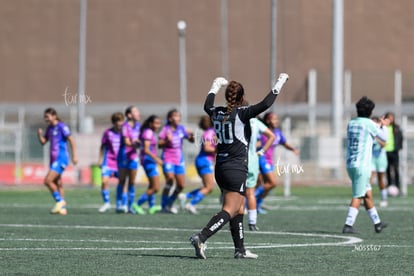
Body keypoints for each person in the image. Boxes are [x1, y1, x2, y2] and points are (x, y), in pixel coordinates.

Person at [189, 73, 289, 259]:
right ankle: (201, 237)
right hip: (236, 167)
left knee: (239, 207)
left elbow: (207, 105)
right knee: (230, 208)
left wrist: (215, 86)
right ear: (242, 97)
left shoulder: (217, 112)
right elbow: (266, 104)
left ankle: (240, 250)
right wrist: (280, 82)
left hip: (221, 166)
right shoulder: (242, 113)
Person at [342, 96, 388, 234]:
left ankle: (377, 223)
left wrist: (377, 125)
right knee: (358, 195)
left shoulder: (351, 123)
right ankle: (348, 224)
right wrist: (382, 125)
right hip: (362, 165)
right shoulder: (369, 124)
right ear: (370, 112)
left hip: (350, 163)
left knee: (367, 194)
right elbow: (384, 138)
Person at [255, 112, 299, 214]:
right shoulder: (263, 132)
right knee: (272, 183)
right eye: (273, 119)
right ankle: (250, 198)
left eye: (276, 119)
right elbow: (256, 143)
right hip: (261, 159)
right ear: (267, 121)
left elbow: (284, 143)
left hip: (270, 162)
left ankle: (256, 205)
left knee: (266, 185)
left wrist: (293, 150)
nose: (276, 121)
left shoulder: (278, 133)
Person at [37, 108, 77, 215]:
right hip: (53, 159)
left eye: (47, 116)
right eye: (45, 117)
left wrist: (74, 156)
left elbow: (72, 141)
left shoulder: (62, 127)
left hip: (61, 158)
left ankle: (60, 201)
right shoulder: (50, 128)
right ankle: (62, 208)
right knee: (58, 183)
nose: (46, 119)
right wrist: (39, 135)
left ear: (54, 116)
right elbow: (43, 142)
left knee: (47, 181)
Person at [158, 108, 194, 213]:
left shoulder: (181, 129)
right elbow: (159, 144)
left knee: (181, 185)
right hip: (168, 159)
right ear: (170, 118)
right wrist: (166, 141)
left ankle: (169, 203)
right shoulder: (165, 130)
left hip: (179, 160)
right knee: (169, 180)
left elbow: (191, 140)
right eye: (175, 116)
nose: (178, 118)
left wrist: (191, 135)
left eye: (179, 116)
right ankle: (163, 206)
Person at [179, 115, 217, 214]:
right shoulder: (210, 133)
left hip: (202, 161)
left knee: (207, 187)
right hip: (205, 161)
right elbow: (207, 148)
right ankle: (191, 204)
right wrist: (218, 149)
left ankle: (185, 196)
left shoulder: (210, 132)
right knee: (209, 187)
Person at [246, 117, 275, 231]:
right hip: (253, 160)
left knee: (236, 193)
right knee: (250, 193)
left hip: (237, 160)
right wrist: (262, 151)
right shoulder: (255, 122)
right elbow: (272, 136)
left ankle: (234, 222)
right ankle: (252, 222)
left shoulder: (235, 118)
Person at [131, 115, 163, 215]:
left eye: (159, 123)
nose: (158, 125)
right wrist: (157, 159)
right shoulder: (148, 132)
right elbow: (146, 149)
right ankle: (137, 205)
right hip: (149, 162)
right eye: (156, 123)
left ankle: (151, 206)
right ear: (150, 124)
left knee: (152, 185)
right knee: (156, 187)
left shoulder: (148, 132)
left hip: (149, 161)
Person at [97, 112, 124, 213]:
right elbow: (102, 146)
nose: (120, 123)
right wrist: (99, 159)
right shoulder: (108, 133)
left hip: (120, 162)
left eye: (121, 121)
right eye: (117, 121)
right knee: (104, 181)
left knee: (122, 183)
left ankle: (120, 204)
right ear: (114, 122)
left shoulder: (125, 133)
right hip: (108, 161)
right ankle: (107, 203)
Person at [116, 106, 141, 213]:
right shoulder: (125, 126)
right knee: (122, 180)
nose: (138, 113)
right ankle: (120, 204)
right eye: (135, 111)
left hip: (133, 157)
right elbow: (127, 142)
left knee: (132, 182)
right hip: (124, 156)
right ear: (129, 115)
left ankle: (130, 206)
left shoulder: (139, 126)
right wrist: (136, 143)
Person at [370, 116, 390, 207]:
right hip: (371, 158)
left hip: (381, 158)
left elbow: (384, 144)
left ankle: (384, 198)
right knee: (369, 179)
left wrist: (376, 138)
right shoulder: (369, 131)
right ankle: (367, 199)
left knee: (380, 179)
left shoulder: (382, 130)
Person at [384, 112, 403, 193]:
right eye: (389, 117)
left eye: (392, 117)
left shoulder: (396, 128)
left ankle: (398, 187)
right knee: (387, 170)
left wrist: (398, 148)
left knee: (395, 169)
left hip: (394, 152)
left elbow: (401, 138)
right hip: (385, 152)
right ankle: (389, 186)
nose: (391, 119)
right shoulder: (383, 127)